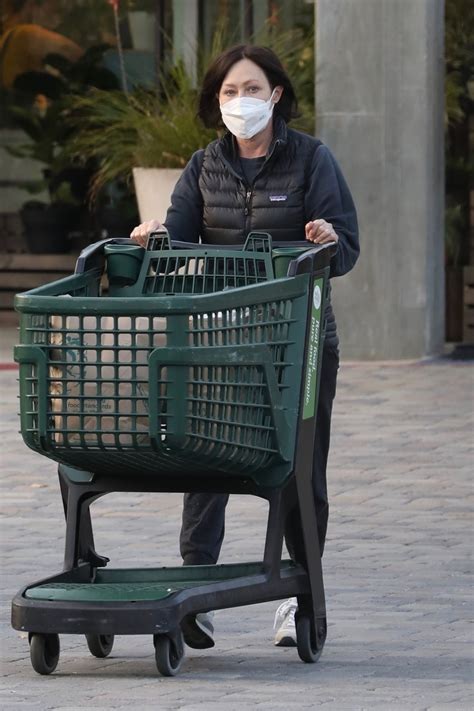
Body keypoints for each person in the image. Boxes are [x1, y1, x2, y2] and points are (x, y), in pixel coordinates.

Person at [131, 44, 359, 649]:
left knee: (296, 467)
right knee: (206, 458)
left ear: (276, 95)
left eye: (251, 90)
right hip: (222, 340)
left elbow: (348, 248)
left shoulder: (312, 159)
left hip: (300, 343)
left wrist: (327, 236)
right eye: (229, 93)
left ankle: (295, 594)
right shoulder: (205, 165)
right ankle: (196, 589)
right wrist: (154, 234)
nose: (240, 103)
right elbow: (178, 234)